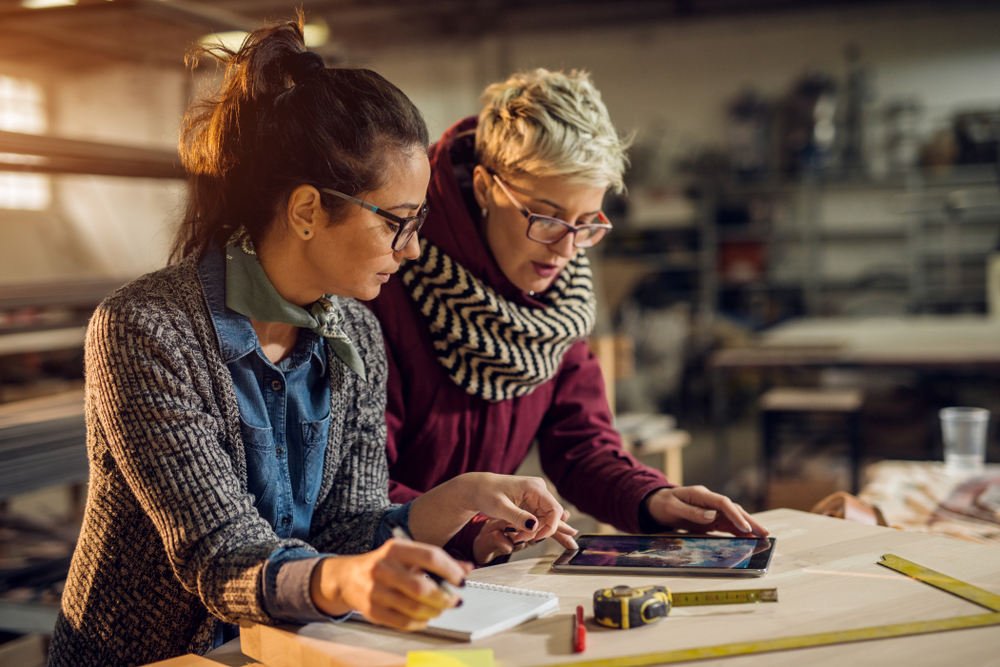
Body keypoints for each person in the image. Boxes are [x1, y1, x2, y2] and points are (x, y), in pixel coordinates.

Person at [48, 19, 568, 667]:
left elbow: (346, 526)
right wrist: (345, 579)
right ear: (305, 211)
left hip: (283, 652)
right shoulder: (147, 330)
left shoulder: (356, 334)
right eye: (397, 224)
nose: (411, 250)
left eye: (420, 222)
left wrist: (454, 502)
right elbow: (222, 556)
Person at [368, 68, 767, 566]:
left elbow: (582, 445)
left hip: (474, 575)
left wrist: (650, 500)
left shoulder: (561, 298)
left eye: (586, 224)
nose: (565, 248)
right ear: (486, 186)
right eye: (545, 217)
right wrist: (467, 527)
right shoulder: (385, 283)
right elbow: (360, 490)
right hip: (381, 570)